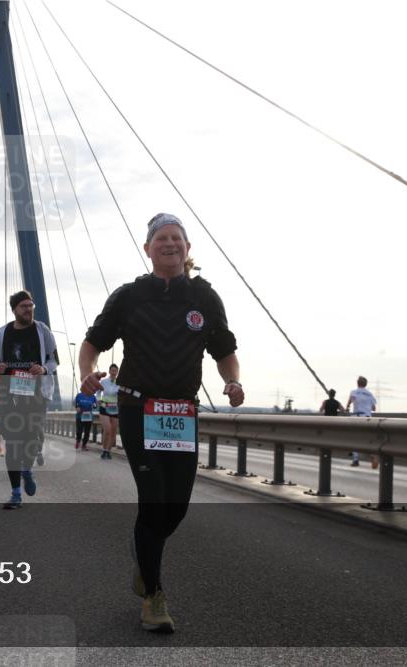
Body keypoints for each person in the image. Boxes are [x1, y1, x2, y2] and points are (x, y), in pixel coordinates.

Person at [79, 212, 243, 634]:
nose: (169, 244)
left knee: (178, 506)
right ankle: (153, 594)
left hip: (182, 412)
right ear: (148, 248)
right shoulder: (129, 296)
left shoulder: (205, 298)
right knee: (154, 500)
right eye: (161, 239)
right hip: (138, 409)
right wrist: (88, 372)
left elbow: (224, 350)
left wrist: (233, 381)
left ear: (188, 249)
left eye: (177, 239)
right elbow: (93, 343)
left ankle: (142, 551)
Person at [0, 290, 59, 509]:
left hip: (37, 395)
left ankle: (27, 470)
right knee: (13, 444)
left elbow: (54, 359)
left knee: (34, 439)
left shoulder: (42, 331)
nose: (29, 310)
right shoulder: (1, 334)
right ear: (14, 309)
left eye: (31, 305)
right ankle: (15, 493)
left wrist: (44, 368)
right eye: (24, 306)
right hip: (11, 397)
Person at [345, 377, 376, 466]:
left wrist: (347, 407)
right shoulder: (370, 394)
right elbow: (374, 408)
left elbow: (349, 403)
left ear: (357, 383)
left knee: (355, 439)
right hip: (368, 418)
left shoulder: (354, 392)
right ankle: (372, 454)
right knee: (367, 438)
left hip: (357, 417)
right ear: (366, 384)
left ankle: (355, 460)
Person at [98, 363, 120, 460]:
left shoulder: (120, 383)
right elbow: (98, 391)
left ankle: (108, 451)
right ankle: (104, 450)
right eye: (112, 370)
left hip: (115, 408)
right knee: (107, 430)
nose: (114, 372)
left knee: (113, 431)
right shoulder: (104, 382)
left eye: (115, 370)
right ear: (109, 371)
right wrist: (98, 398)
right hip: (104, 407)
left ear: (117, 372)